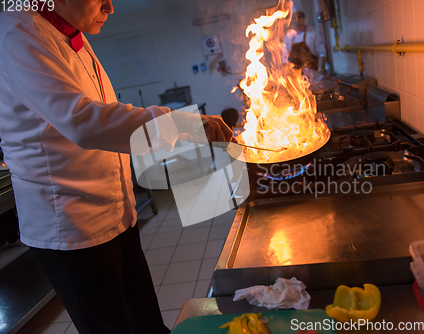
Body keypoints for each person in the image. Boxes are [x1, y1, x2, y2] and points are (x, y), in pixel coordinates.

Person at [0, 1, 232, 333]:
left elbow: (106, 110)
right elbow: (84, 121)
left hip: (115, 214)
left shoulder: (68, 30)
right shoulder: (18, 31)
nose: (110, 7)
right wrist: (182, 126)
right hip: (73, 225)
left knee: (148, 325)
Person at [283, 10, 328, 82]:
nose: (297, 20)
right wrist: (286, 73)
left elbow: (322, 53)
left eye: (299, 17)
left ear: (304, 19)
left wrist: (320, 70)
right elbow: (284, 57)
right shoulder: (289, 36)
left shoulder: (313, 33)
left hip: (312, 75)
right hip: (295, 77)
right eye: (294, 18)